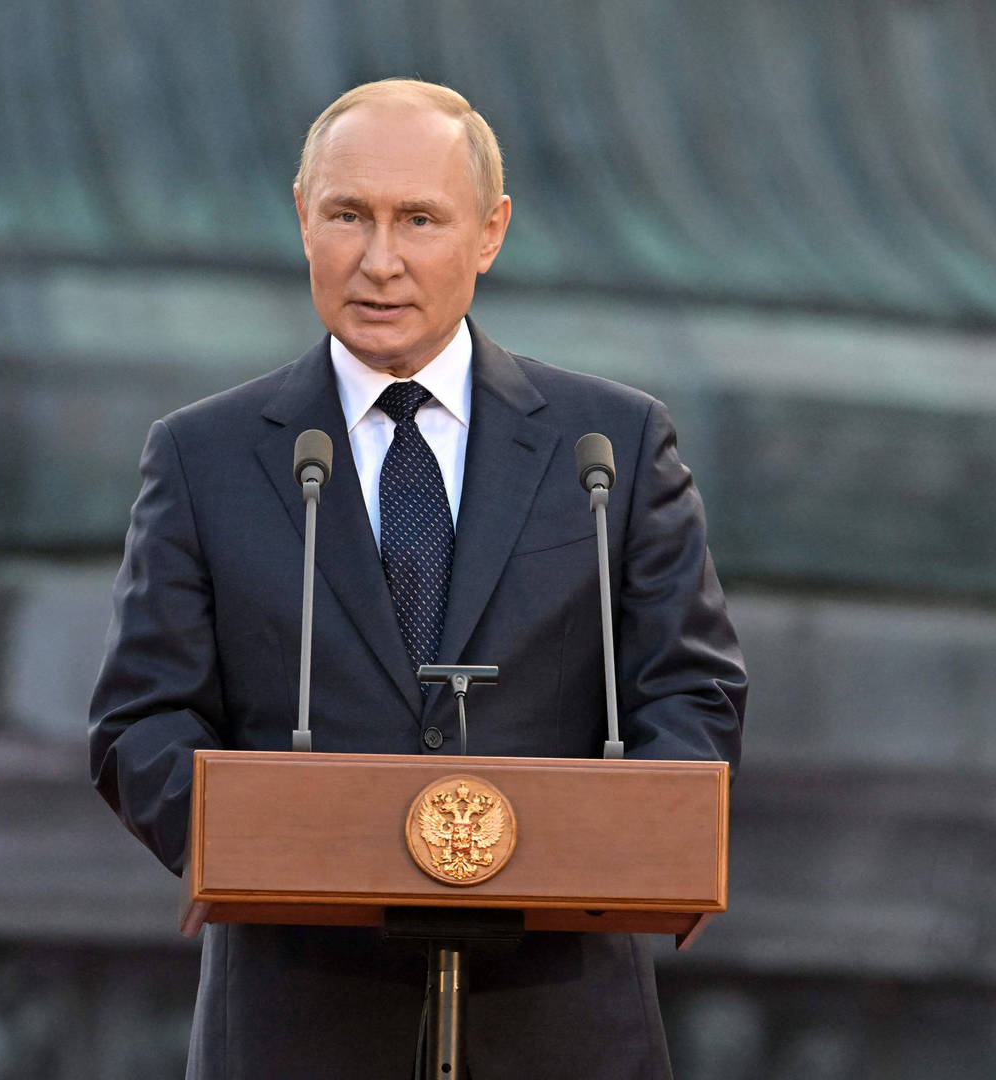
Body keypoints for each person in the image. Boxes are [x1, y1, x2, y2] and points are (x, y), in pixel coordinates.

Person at [89, 78, 746, 1079]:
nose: (379, 260)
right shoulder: (204, 457)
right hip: (300, 1019)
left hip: (557, 1018)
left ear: (490, 233)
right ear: (302, 219)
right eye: (348, 216)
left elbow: (690, 689)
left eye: (420, 220)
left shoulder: (610, 447)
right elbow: (141, 720)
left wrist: (630, 843)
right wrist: (265, 846)